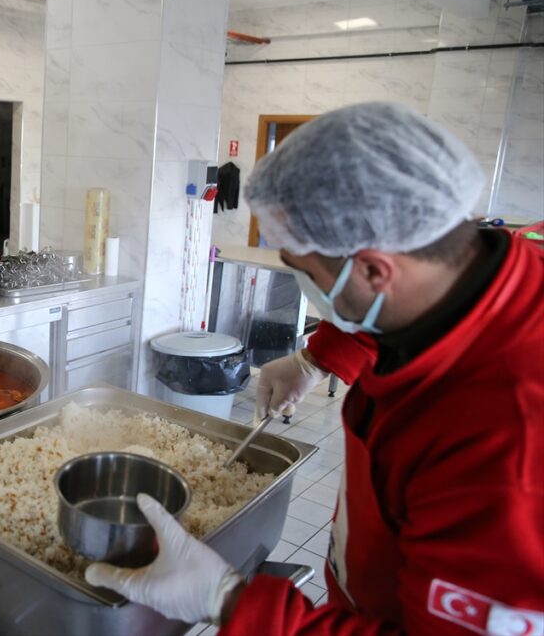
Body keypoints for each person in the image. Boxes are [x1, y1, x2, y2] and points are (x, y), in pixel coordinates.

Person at [85, 102, 544, 634]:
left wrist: (229, 600)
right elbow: (413, 315)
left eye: (302, 270)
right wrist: (316, 357)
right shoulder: (481, 264)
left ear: (375, 268)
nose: (304, 285)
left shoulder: (506, 444)